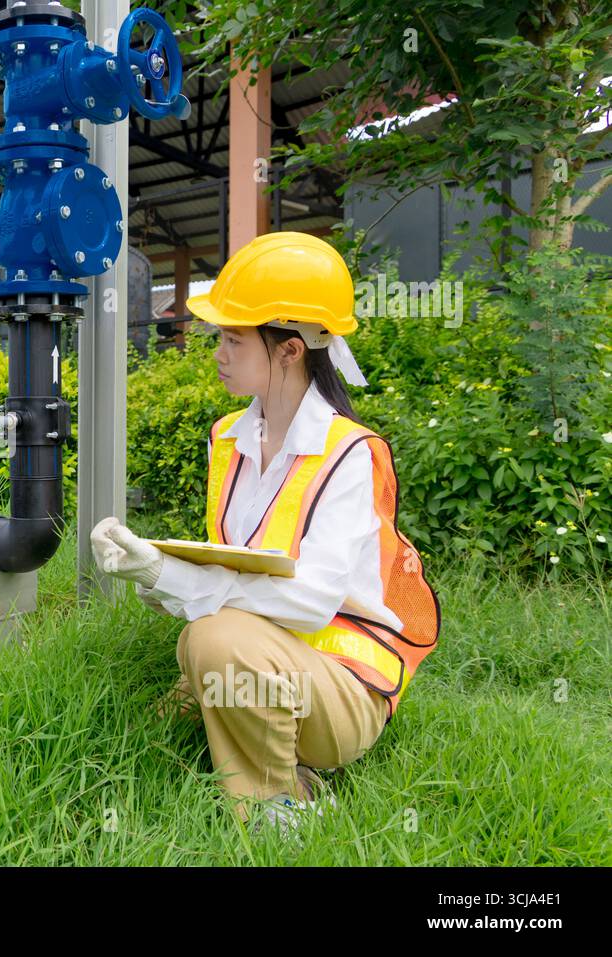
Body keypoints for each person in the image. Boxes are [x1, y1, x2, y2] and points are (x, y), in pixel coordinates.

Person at [91, 232, 440, 834]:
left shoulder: (349, 455)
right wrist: (150, 569)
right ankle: (260, 741)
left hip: (344, 683)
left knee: (217, 643)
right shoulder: (228, 437)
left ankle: (283, 803)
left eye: (233, 338)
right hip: (274, 656)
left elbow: (308, 602)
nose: (218, 353)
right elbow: (238, 570)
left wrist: (174, 577)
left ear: (289, 350)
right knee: (194, 654)